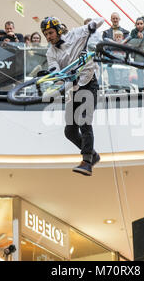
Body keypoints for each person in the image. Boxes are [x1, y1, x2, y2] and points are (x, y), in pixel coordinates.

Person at [41, 16, 104, 176]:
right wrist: (51, 74)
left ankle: (87, 161)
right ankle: (94, 154)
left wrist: (91, 26)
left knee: (83, 118)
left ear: (58, 30)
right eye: (45, 34)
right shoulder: (51, 52)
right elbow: (55, 70)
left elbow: (100, 20)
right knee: (69, 131)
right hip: (73, 88)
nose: (48, 37)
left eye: (50, 33)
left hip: (89, 83)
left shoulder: (76, 34)